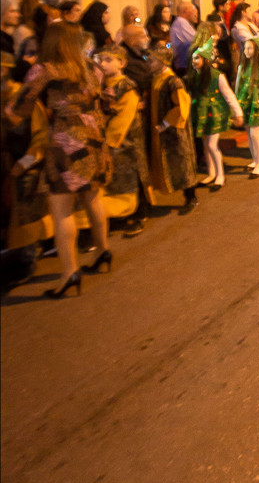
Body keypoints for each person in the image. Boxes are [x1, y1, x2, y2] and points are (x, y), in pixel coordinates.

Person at [5, 23, 112, 296]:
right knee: (92, 197)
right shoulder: (91, 68)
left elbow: (17, 110)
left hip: (67, 142)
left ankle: (69, 273)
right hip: (94, 139)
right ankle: (103, 252)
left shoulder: (45, 69)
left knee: (61, 208)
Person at [96, 45, 151, 236]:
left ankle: (137, 215)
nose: (103, 64)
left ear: (122, 63)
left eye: (108, 60)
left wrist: (110, 140)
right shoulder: (101, 84)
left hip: (126, 141)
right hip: (107, 141)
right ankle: (115, 215)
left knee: (132, 177)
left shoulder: (126, 85)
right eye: (100, 59)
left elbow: (124, 117)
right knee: (113, 180)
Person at [148, 45, 198, 213]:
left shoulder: (173, 81)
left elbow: (181, 106)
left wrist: (164, 124)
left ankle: (191, 196)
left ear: (163, 62)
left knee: (182, 164)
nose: (149, 62)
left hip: (174, 131)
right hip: (161, 131)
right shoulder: (155, 78)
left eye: (152, 60)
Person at [188, 38, 244, 187]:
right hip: (202, 113)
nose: (194, 61)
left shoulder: (217, 75)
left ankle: (220, 175)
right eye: (193, 58)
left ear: (206, 59)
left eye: (197, 58)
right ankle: (211, 173)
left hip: (216, 113)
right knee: (206, 144)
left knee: (212, 145)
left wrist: (237, 113)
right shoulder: (195, 76)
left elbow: (229, 95)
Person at [234, 36, 259, 177]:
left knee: (255, 134)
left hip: (258, 105)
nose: (246, 51)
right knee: (249, 134)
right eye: (245, 48)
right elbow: (237, 87)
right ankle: (255, 159)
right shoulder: (242, 67)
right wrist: (236, 107)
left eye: (250, 48)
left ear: (256, 50)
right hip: (245, 104)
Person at [168, 1, 198, 76]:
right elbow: (196, 40)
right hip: (184, 64)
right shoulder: (181, 23)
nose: (195, 14)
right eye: (193, 11)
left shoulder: (183, 23)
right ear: (184, 11)